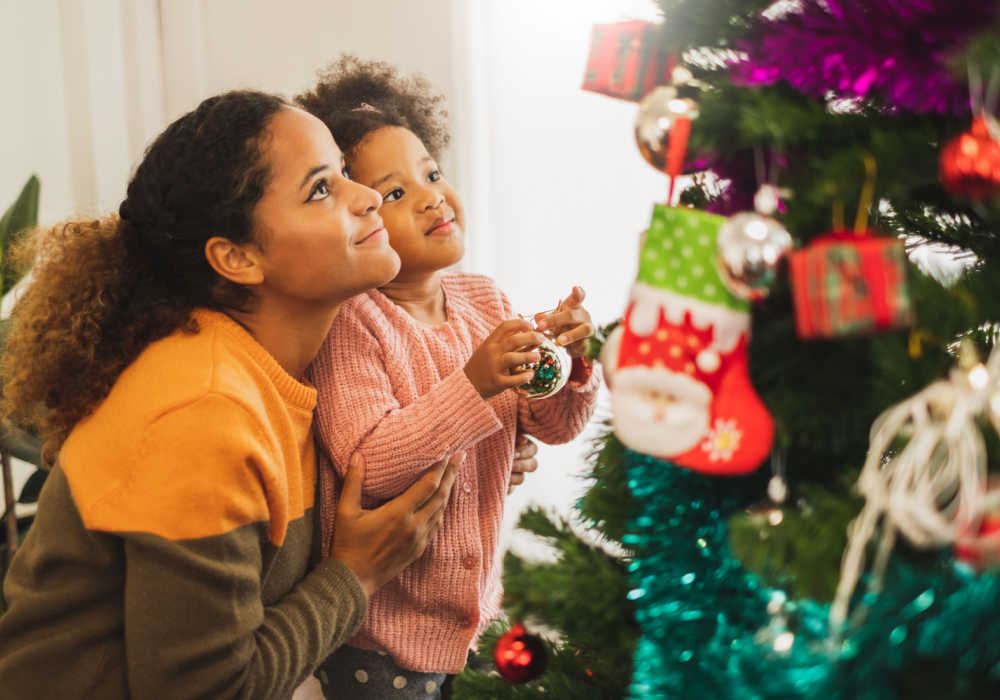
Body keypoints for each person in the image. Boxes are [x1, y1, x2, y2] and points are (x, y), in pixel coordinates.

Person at [0, 90, 461, 700]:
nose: (369, 196)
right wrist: (356, 573)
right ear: (238, 257)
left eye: (346, 174)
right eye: (322, 189)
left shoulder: (291, 370)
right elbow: (212, 692)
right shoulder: (203, 412)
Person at [295, 57, 601, 698]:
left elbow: (551, 428)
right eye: (397, 194)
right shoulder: (353, 322)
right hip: (377, 640)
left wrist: (570, 366)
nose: (433, 195)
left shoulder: (484, 299)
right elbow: (368, 463)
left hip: (478, 622)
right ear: (355, 218)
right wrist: (475, 384)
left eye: (431, 173)